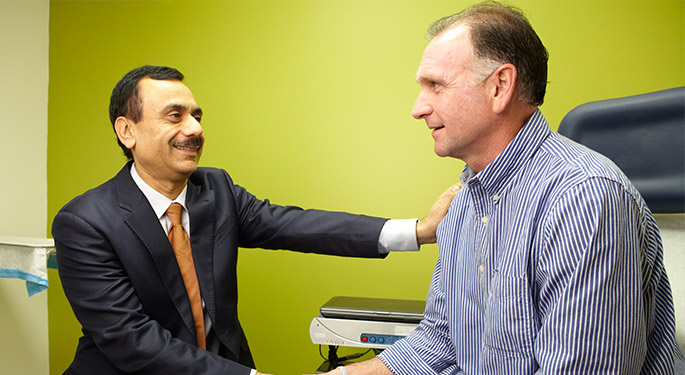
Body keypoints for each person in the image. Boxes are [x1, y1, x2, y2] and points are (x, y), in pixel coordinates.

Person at [319, 2, 685, 374]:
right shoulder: (463, 204)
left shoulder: (583, 199)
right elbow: (439, 339)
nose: (418, 108)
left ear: (500, 86)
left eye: (435, 85)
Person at [52, 65, 459, 375]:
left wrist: (419, 231)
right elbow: (131, 339)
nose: (194, 129)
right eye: (174, 116)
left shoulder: (216, 189)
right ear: (127, 131)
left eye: (197, 115)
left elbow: (296, 225)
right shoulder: (84, 222)